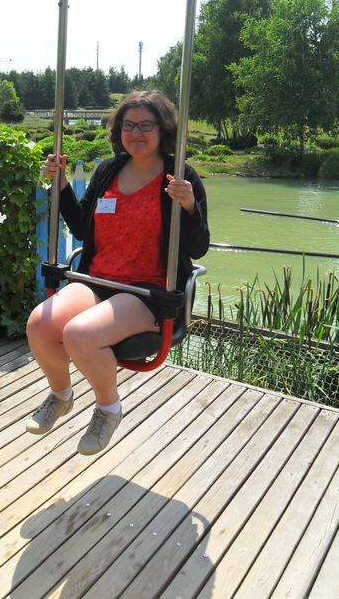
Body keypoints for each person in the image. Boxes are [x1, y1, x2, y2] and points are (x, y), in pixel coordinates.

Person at [26, 90, 209, 454]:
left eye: (145, 125)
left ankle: (108, 408)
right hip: (98, 280)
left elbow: (197, 246)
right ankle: (61, 394)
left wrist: (189, 206)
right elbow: (81, 228)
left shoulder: (180, 177)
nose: (136, 133)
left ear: (163, 129)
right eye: (128, 125)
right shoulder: (108, 170)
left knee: (79, 333)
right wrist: (61, 184)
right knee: (40, 324)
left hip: (149, 292)